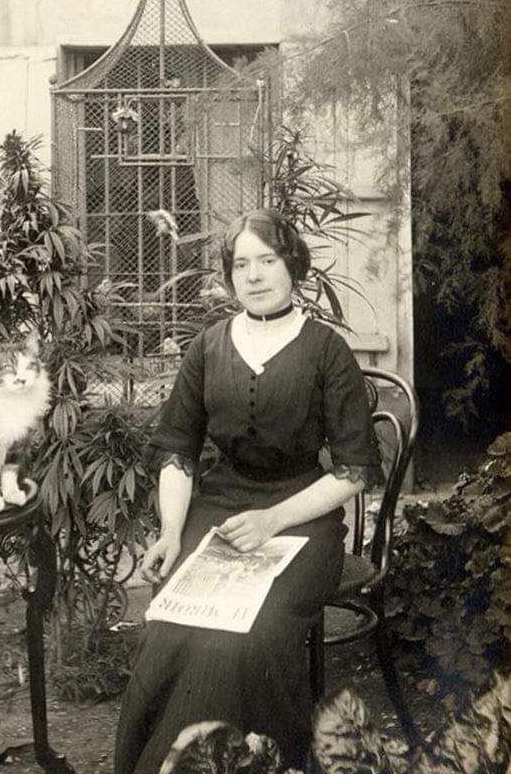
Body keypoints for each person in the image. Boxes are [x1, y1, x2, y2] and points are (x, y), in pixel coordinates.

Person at [114, 209, 383, 774]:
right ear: (229, 274)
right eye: (242, 264)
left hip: (302, 519)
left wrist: (272, 520)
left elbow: (355, 470)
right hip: (218, 511)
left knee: (247, 634)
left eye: (267, 260)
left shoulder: (325, 349)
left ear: (293, 267)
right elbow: (177, 452)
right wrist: (168, 532)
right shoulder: (209, 346)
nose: (254, 275)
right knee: (170, 627)